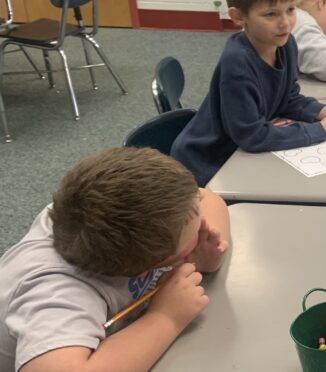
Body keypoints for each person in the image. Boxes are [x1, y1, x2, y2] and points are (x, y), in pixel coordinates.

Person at [0, 147, 231, 371]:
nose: (204, 227)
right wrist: (166, 317)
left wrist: (199, 258)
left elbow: (207, 198)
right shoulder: (57, 294)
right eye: (197, 232)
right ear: (148, 266)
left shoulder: (87, 212)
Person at [171, 0, 326, 186]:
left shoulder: (285, 43)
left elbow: (288, 99)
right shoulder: (238, 63)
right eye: (271, 14)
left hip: (237, 156)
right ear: (238, 17)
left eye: (290, 9)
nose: (285, 22)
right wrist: (319, 130)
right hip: (207, 165)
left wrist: (325, 111)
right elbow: (251, 136)